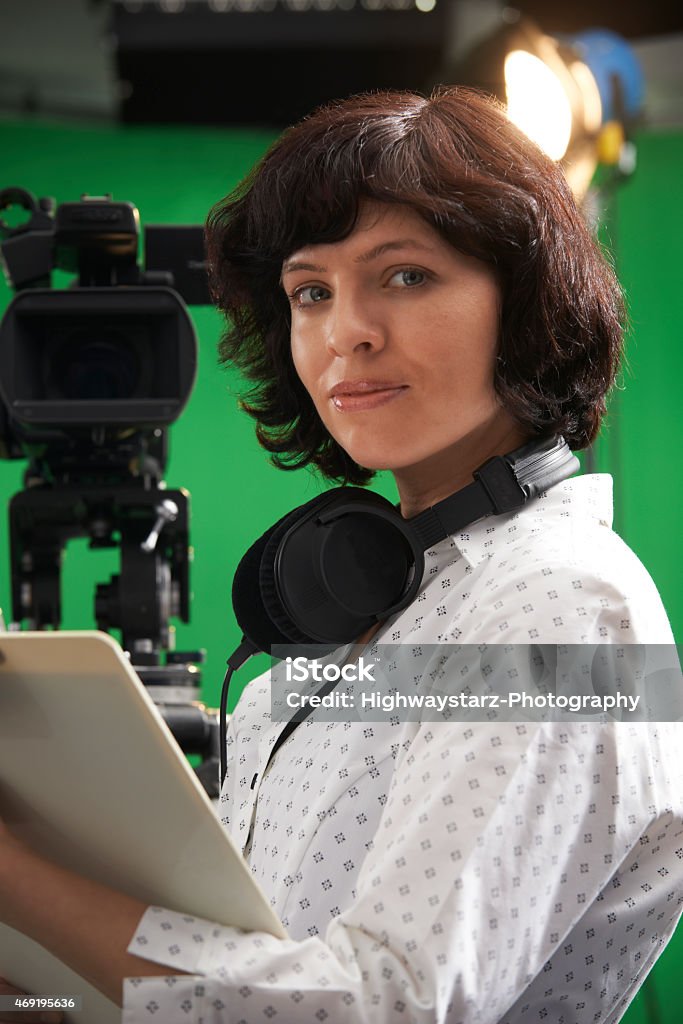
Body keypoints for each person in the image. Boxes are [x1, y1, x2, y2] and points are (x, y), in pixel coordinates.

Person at [0, 87, 681, 1024]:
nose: (345, 332)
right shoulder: (362, 600)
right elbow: (232, 985)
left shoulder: (560, 603)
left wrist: (15, 880)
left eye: (404, 276)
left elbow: (383, 1005)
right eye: (310, 291)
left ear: (524, 300)